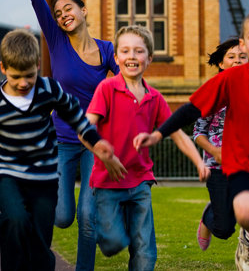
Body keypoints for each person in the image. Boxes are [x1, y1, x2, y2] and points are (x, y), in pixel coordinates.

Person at [134, 10, 249, 271]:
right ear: (244, 44)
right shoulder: (230, 79)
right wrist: (158, 133)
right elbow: (192, 110)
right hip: (244, 167)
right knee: (246, 211)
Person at [0, 0, 119, 270]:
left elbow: (126, 86)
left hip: (94, 141)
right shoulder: (55, 39)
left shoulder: (108, 51)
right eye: (59, 12)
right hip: (62, 141)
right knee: (63, 216)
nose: (63, 14)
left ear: (84, 11)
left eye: (69, 9)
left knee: (87, 216)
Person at [0, 29, 122, 271]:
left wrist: (95, 141)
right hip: (7, 173)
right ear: (3, 68)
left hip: (44, 176)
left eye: (29, 76)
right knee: (16, 219)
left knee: (40, 238)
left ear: (38, 66)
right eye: (16, 77)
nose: (23, 83)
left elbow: (75, 114)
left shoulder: (48, 90)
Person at [86, 25, 208, 271]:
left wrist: (199, 162)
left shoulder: (155, 98)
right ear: (117, 58)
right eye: (126, 51)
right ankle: (109, 231)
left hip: (141, 182)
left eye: (139, 51)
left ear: (149, 58)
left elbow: (178, 135)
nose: (132, 56)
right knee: (113, 243)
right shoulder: (107, 89)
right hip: (107, 182)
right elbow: (85, 127)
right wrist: (101, 152)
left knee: (145, 251)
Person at [193, 38, 248, 250]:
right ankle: (210, 216)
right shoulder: (212, 91)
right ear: (221, 63)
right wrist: (214, 151)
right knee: (224, 229)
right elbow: (198, 131)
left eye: (242, 57)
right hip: (218, 167)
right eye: (231, 57)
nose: (237, 61)